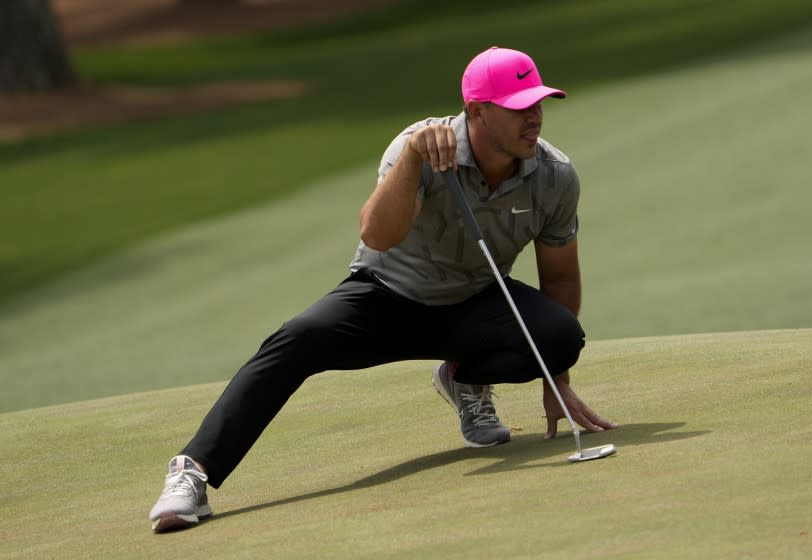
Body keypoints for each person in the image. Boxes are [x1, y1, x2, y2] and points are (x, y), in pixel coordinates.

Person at [148, 46, 618, 533]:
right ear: (477, 110)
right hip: (383, 297)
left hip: (474, 303)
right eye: (519, 107)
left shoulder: (555, 176)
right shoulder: (416, 146)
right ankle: (192, 471)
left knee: (562, 336)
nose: (535, 117)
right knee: (296, 339)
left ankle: (463, 377)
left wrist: (555, 381)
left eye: (539, 103)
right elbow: (377, 235)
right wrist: (415, 159)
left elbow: (560, 278)